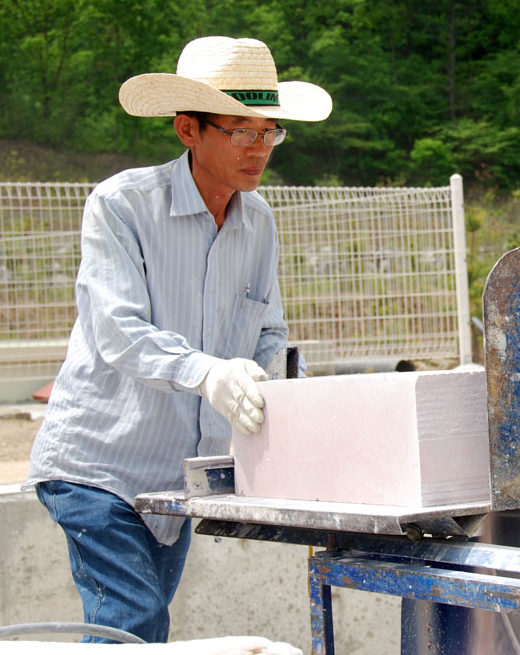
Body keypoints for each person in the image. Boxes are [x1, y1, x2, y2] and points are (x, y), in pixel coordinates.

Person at [25, 36, 332, 643]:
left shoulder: (258, 222)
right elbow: (117, 331)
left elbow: (268, 330)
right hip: (98, 466)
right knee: (132, 626)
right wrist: (208, 372)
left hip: (180, 478)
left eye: (269, 131)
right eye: (240, 130)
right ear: (187, 129)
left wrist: (267, 385)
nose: (259, 148)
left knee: (137, 632)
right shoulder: (122, 205)